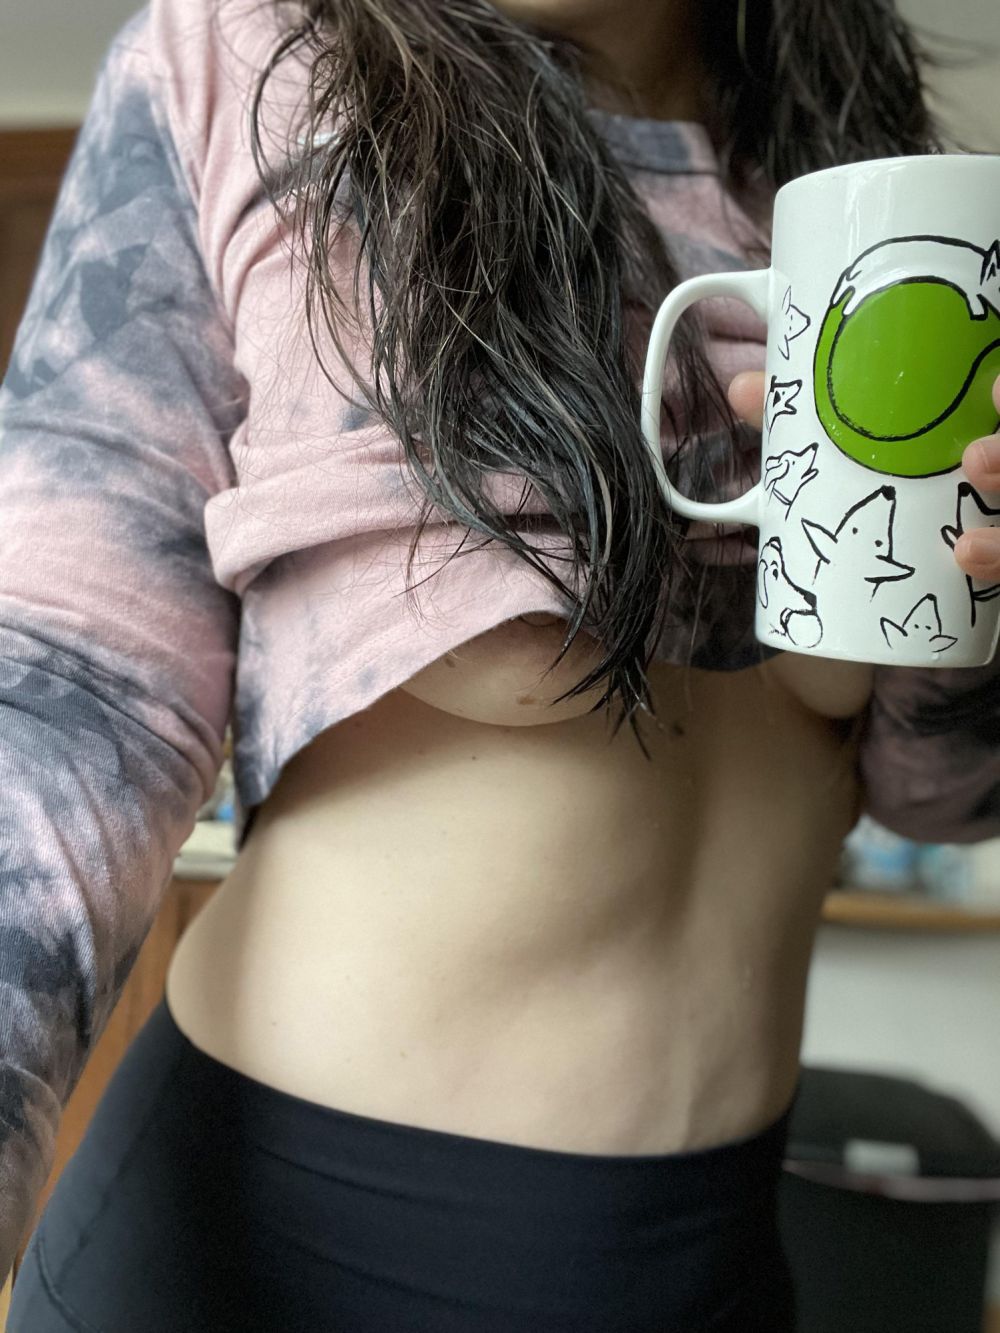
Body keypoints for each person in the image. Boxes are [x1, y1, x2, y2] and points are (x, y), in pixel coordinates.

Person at [2, 0, 997, 1328]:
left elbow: (937, 793)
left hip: (705, 1253)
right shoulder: (247, 60)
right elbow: (61, 698)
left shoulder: (877, 188)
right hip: (271, 1254)